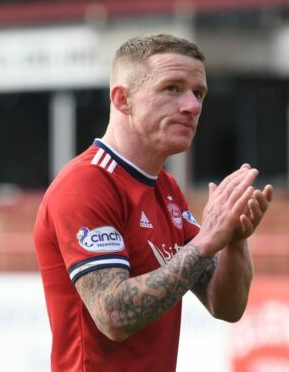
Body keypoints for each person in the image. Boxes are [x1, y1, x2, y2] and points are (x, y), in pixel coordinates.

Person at [33, 34, 273, 372]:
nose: (192, 106)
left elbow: (226, 306)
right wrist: (207, 241)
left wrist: (235, 240)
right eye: (172, 88)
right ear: (122, 99)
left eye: (199, 93)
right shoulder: (86, 184)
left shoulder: (167, 188)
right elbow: (113, 315)